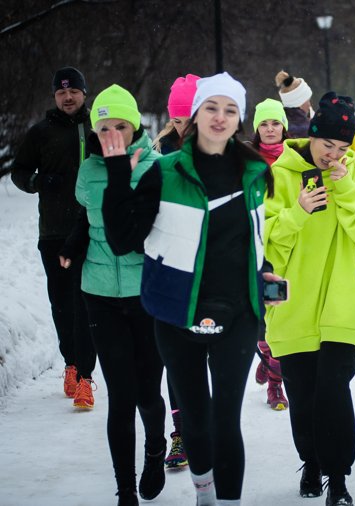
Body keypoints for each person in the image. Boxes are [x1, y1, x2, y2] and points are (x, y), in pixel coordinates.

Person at [101, 72, 276, 506]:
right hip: (177, 313)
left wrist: (263, 269)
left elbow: (247, 237)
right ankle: (204, 494)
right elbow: (124, 240)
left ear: (240, 119)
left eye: (230, 109)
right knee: (195, 420)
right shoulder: (165, 172)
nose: (220, 117)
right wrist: (118, 177)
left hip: (238, 313)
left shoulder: (255, 171)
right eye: (211, 108)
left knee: (225, 421)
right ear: (194, 115)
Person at [264, 91, 355, 506]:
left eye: (341, 148)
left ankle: (339, 479)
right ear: (310, 136)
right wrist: (297, 211)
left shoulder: (353, 177)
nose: (332, 155)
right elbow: (266, 245)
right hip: (293, 306)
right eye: (326, 145)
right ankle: (311, 462)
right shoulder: (280, 175)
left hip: (342, 304)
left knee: (333, 389)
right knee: (302, 393)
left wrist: (347, 187)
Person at [60, 84, 165, 506]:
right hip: (99, 293)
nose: (114, 134)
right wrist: (73, 242)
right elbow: (92, 218)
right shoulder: (88, 170)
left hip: (146, 295)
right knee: (120, 395)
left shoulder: (154, 167)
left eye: (121, 125)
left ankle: (155, 452)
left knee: (146, 391)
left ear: (136, 125)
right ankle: (125, 489)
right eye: (105, 127)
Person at [10, 66, 97, 408]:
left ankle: (86, 378)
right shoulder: (40, 133)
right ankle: (71, 365)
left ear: (84, 93)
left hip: (92, 229)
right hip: (54, 232)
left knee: (86, 302)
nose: (68, 97)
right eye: (61, 92)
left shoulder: (96, 128)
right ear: (55, 97)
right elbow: (19, 172)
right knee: (62, 303)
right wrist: (37, 183)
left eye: (73, 91)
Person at [152, 74, 201, 470]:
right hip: (174, 272)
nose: (186, 125)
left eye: (192, 116)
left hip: (214, 275)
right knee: (179, 364)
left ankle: (208, 428)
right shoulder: (161, 155)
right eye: (179, 118)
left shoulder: (225, 154)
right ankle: (181, 434)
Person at [249, 97, 290, 411]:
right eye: (264, 123)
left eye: (275, 122)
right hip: (257, 249)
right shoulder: (246, 159)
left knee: (283, 315)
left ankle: (272, 371)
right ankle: (274, 384)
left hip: (287, 247)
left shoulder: (294, 157)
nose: (271, 128)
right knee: (264, 319)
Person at [153, 74, 200, 154]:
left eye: (190, 122)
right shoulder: (160, 153)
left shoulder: (224, 151)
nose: (184, 129)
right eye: (177, 121)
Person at [275, 70, 313, 138]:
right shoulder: (306, 128)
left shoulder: (281, 120)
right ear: (299, 103)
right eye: (308, 101)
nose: (309, 105)